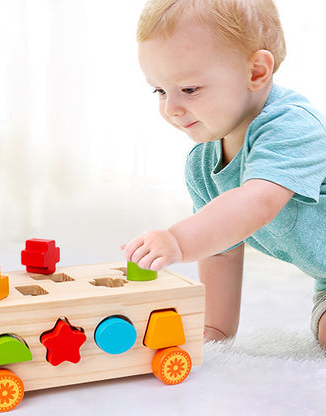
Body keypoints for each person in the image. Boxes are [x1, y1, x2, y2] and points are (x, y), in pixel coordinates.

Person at [122, 0, 326, 347]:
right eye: (159, 90)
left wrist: (177, 241)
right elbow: (221, 249)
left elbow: (257, 202)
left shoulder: (292, 125)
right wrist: (215, 332)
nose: (171, 108)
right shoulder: (202, 166)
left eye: (188, 89)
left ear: (256, 72)